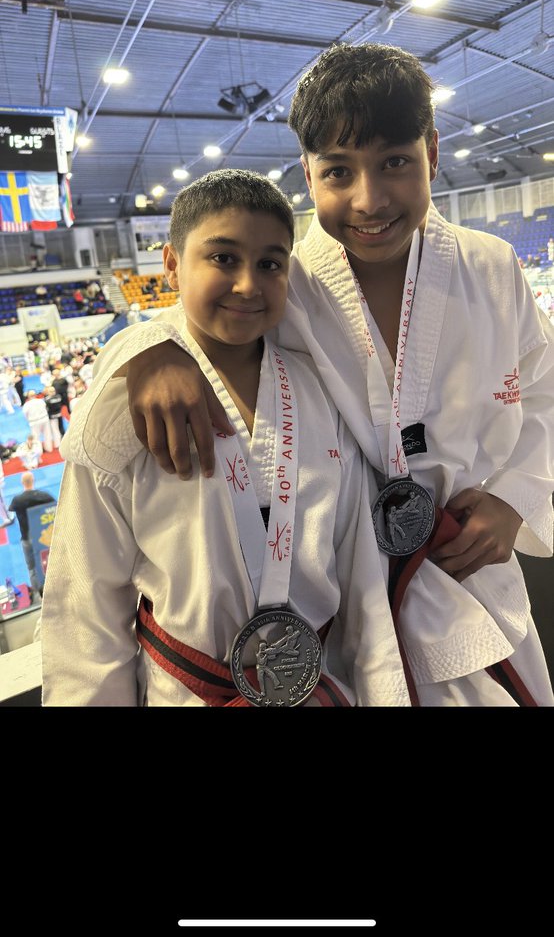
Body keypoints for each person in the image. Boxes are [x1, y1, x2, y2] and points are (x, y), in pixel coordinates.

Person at [59, 43, 554, 707]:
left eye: (396, 162)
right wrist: (146, 345)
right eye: (339, 171)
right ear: (309, 173)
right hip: (351, 609)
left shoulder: (490, 265)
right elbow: (204, 317)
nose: (369, 200)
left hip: (465, 565)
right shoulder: (290, 282)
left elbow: (544, 385)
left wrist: (515, 496)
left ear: (433, 153)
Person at [41, 169, 407, 707]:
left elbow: (361, 574)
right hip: (188, 693)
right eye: (222, 258)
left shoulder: (320, 390)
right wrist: (143, 346)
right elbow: (86, 609)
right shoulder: (121, 414)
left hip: (321, 686)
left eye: (270, 264)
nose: (248, 285)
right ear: (172, 265)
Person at [8, 472, 55, 600]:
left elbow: (11, 509)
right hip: (43, 538)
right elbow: (54, 506)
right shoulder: (44, 496)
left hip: (27, 539)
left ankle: (39, 593)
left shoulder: (17, 500)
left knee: (32, 568)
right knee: (50, 563)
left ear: (22, 482)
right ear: (33, 480)